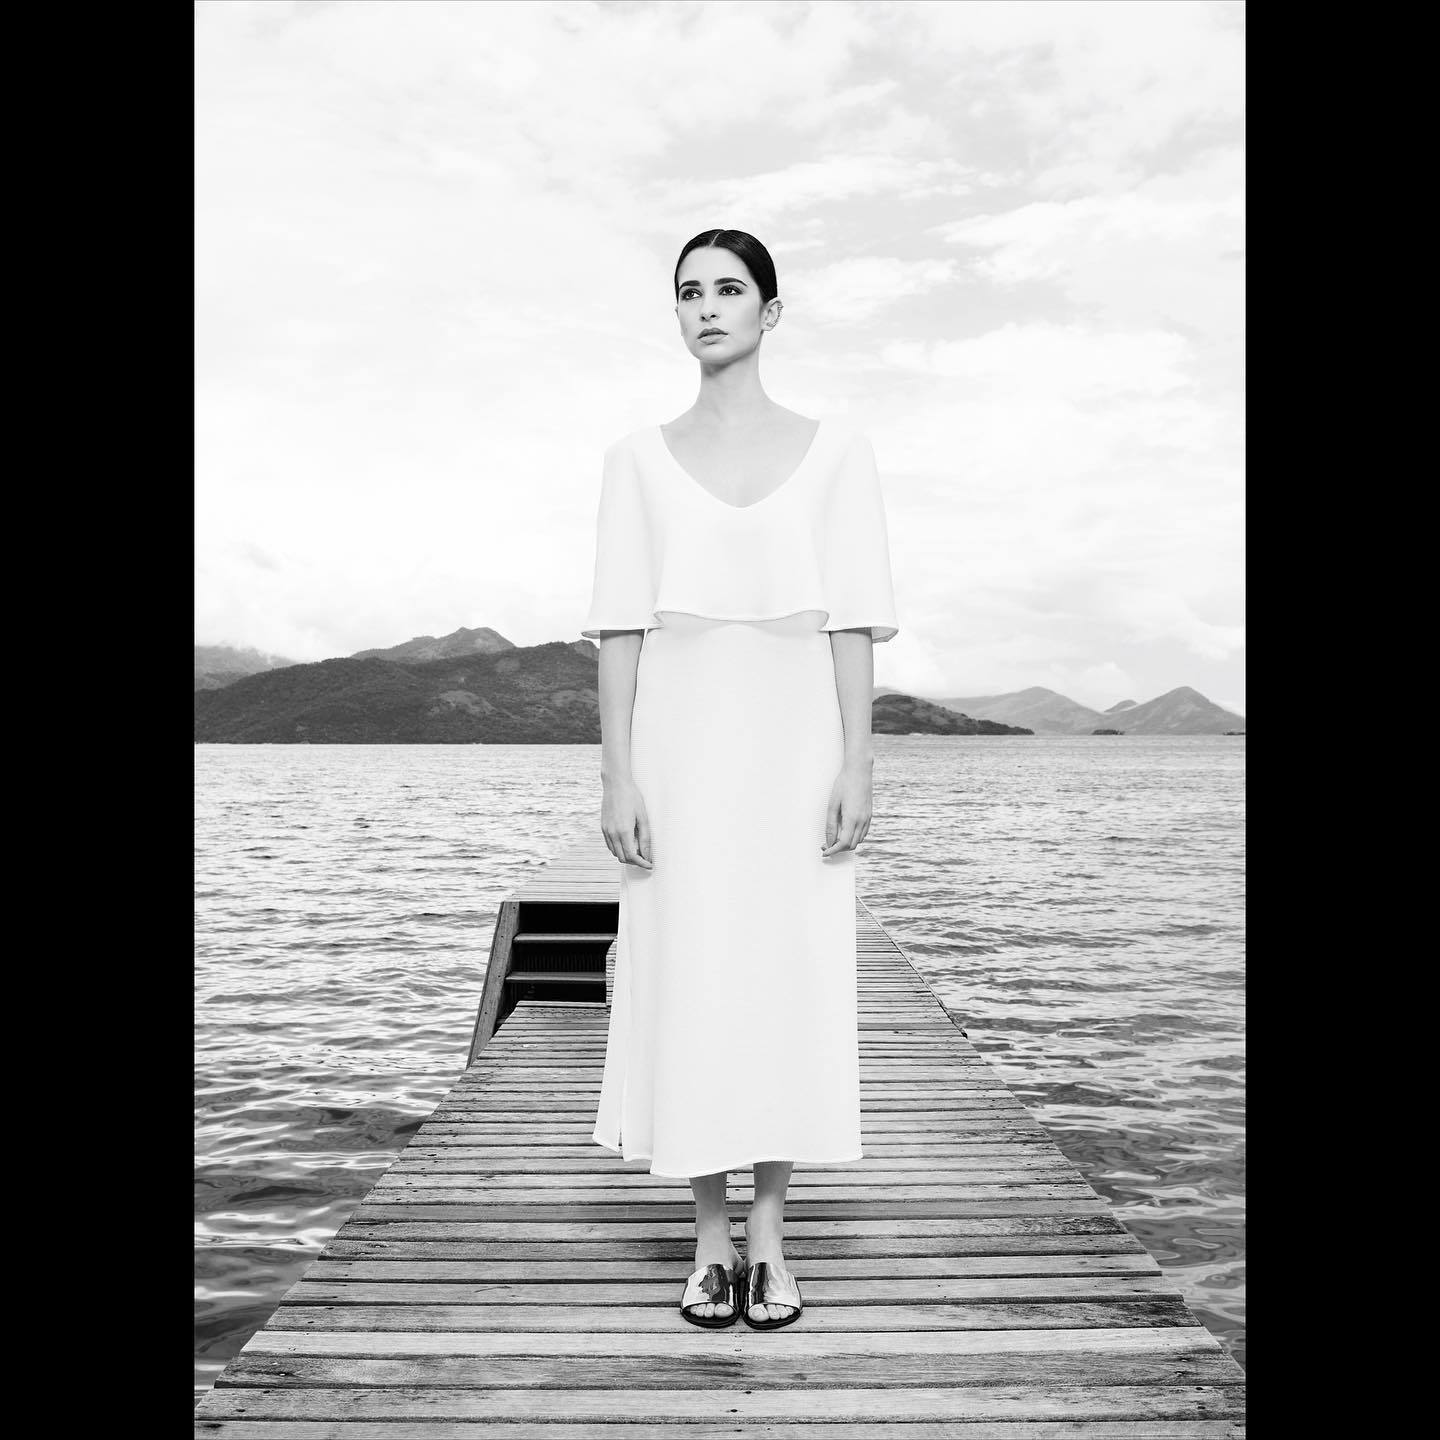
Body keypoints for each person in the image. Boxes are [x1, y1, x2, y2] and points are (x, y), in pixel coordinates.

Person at [580, 228, 899, 1330]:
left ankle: (771, 1236)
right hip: (679, 748)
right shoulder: (634, 459)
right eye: (689, 293)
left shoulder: (839, 451)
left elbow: (852, 622)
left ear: (771, 309)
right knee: (690, 974)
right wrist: (618, 777)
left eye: (728, 289)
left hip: (795, 745)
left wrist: (857, 761)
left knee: (787, 977)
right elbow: (620, 632)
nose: (707, 308)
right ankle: (709, 1238)